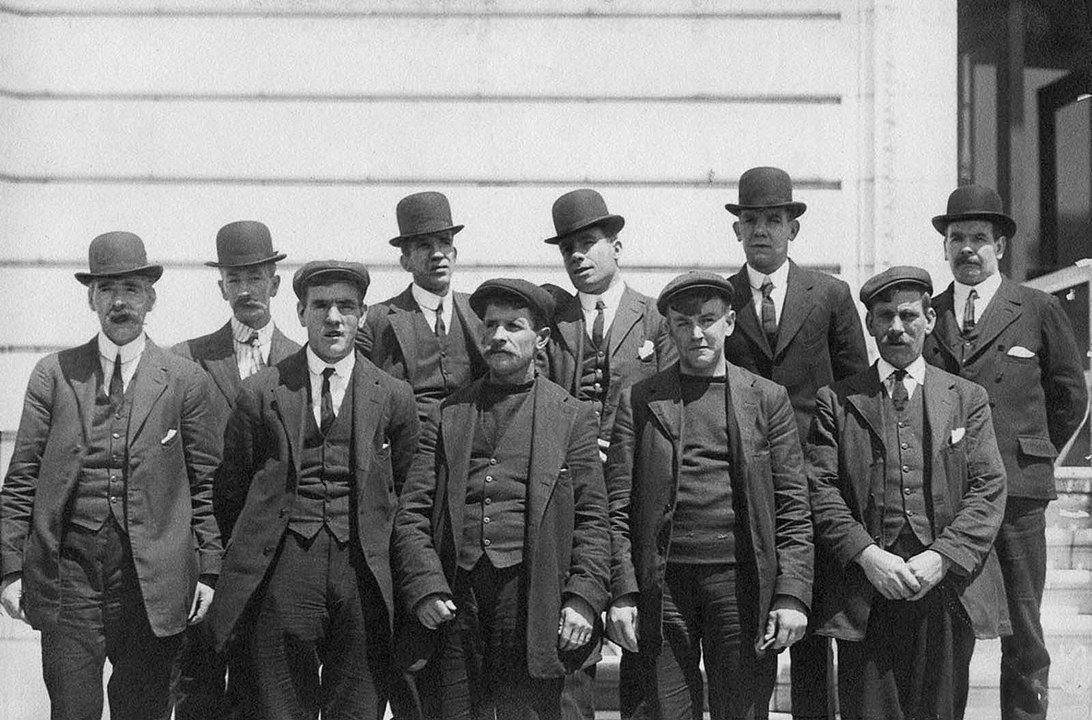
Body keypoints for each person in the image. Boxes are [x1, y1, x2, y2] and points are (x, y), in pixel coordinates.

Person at [0, 231, 223, 720]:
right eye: (107, 290)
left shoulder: (185, 381)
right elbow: (22, 480)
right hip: (69, 578)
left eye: (131, 289)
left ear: (151, 297)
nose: (120, 302)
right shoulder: (54, 374)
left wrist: (208, 571)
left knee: (143, 711)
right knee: (72, 710)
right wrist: (10, 569)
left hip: (152, 584)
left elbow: (205, 488)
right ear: (91, 298)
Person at [207, 261, 420, 720]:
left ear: (363, 314)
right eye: (321, 306)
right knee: (278, 706)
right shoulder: (262, 391)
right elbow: (230, 492)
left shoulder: (394, 396)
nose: (334, 317)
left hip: (362, 569)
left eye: (346, 306)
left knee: (359, 705)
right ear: (301, 312)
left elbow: (407, 488)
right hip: (285, 567)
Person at [393, 278, 610, 720]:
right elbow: (412, 512)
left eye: (514, 326)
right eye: (491, 326)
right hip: (457, 598)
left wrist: (583, 597)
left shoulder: (571, 417)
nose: (498, 337)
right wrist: (424, 586)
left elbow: (593, 519)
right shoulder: (449, 413)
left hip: (533, 596)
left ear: (542, 339)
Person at [608, 271, 813, 720]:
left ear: (730, 322)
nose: (697, 333)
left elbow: (794, 508)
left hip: (740, 584)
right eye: (683, 323)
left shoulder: (767, 399)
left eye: (708, 320)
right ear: (669, 330)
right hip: (663, 587)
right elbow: (617, 509)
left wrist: (791, 595)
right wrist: (623, 592)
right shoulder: (640, 400)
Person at [808, 266, 1009, 720]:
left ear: (931, 319)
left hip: (944, 587)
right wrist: (867, 555)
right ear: (870, 324)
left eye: (909, 315)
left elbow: (988, 488)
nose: (897, 327)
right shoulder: (837, 400)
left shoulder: (965, 398)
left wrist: (940, 558)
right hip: (866, 588)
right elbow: (820, 490)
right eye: (885, 317)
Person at [922, 185, 1089, 720]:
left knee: (1022, 627)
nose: (967, 249)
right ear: (945, 248)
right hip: (950, 498)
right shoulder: (929, 314)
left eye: (978, 238)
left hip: (1018, 496)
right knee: (951, 629)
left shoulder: (1035, 308)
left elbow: (1070, 397)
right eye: (956, 239)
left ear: (1000, 247)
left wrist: (1031, 454)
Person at [723, 165, 868, 719]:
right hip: (748, 482)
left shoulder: (829, 295)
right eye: (751, 221)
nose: (762, 231)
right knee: (752, 618)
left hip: (817, 479)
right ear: (738, 230)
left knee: (813, 626)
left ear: (794, 229)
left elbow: (856, 389)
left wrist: (837, 468)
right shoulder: (723, 299)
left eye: (774, 220)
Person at [541, 188, 675, 720]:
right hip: (570, 491)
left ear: (616, 246)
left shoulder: (657, 318)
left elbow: (669, 407)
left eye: (589, 242)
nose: (578, 255)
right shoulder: (554, 322)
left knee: (642, 631)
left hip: (635, 495)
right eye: (568, 247)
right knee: (572, 637)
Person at [171, 220, 299, 720]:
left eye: (256, 276)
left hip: (276, 554)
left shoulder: (303, 361)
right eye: (234, 278)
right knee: (198, 685)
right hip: (205, 550)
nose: (246, 289)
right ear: (220, 286)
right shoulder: (187, 360)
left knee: (266, 689)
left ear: (276, 282)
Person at [357, 191, 487, 425]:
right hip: (408, 448)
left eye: (445, 243)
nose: (437, 254)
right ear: (405, 262)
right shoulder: (377, 320)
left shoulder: (479, 311)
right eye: (424, 245)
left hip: (470, 445)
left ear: (454, 255)